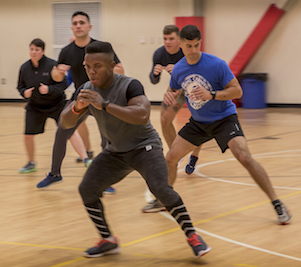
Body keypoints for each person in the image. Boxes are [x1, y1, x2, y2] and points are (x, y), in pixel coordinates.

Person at [59, 40, 210, 258]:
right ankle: (107, 239)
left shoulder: (130, 85)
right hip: (116, 152)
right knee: (87, 189)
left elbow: (142, 116)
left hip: (144, 147)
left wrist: (105, 105)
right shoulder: (85, 89)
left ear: (111, 66)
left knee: (161, 189)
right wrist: (76, 108)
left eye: (98, 66)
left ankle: (193, 236)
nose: (92, 71)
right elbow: (65, 123)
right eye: (87, 67)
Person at [162, 25, 291, 225]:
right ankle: (166, 200)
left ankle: (277, 203)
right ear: (180, 44)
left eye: (197, 45)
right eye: (189, 46)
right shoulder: (178, 69)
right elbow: (174, 90)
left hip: (224, 119)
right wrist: (169, 95)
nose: (194, 50)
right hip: (198, 122)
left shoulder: (216, 64)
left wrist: (212, 94)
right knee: (170, 157)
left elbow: (237, 92)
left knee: (244, 156)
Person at [35, 11, 124, 193]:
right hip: (80, 98)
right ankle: (54, 173)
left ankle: (104, 180)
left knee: (105, 140)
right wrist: (58, 72)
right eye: (75, 23)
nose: (78, 25)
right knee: (62, 131)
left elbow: (121, 69)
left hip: (101, 98)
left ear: (89, 27)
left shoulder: (100, 48)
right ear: (72, 27)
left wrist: (108, 71)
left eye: (82, 22)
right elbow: (57, 76)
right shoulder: (67, 51)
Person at [142, 25, 202, 213]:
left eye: (170, 39)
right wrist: (155, 73)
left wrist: (180, 68)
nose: (167, 42)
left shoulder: (189, 53)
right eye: (165, 38)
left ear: (179, 41)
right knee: (164, 119)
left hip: (194, 89)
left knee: (200, 123)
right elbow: (152, 80)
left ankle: (194, 156)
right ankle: (175, 155)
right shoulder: (159, 54)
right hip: (175, 91)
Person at [16, 38, 68, 173]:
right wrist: (24, 93)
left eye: (37, 50)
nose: (33, 52)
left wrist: (49, 89)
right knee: (27, 135)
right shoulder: (24, 67)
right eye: (31, 49)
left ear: (43, 51)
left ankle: (85, 158)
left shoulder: (52, 65)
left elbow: (63, 84)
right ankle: (31, 163)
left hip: (56, 104)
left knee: (69, 131)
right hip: (35, 106)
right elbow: (20, 86)